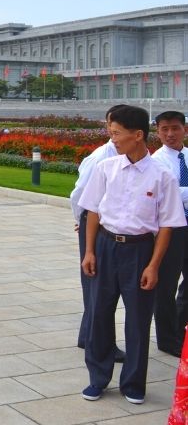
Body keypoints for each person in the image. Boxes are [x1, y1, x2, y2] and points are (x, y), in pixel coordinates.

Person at [79, 105, 184, 404]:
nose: (112, 139)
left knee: (138, 320)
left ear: (137, 135)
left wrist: (153, 265)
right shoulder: (106, 168)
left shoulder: (163, 176)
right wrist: (89, 251)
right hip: (105, 247)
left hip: (140, 251)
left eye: (116, 134)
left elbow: (166, 226)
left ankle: (133, 384)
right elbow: (93, 211)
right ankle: (98, 378)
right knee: (99, 314)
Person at [70, 105, 127, 361]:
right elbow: (79, 195)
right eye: (112, 128)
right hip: (96, 224)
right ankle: (99, 343)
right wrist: (81, 221)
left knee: (99, 286)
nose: (114, 134)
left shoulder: (128, 155)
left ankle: (88, 336)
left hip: (111, 224)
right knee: (97, 286)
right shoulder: (100, 158)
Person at [151, 110, 188, 356]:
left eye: (175, 128)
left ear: (184, 129)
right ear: (158, 132)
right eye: (164, 129)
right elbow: (169, 195)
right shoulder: (157, 161)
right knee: (165, 284)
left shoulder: (187, 156)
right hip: (171, 230)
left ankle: (181, 328)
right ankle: (167, 339)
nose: (170, 134)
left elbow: (179, 191)